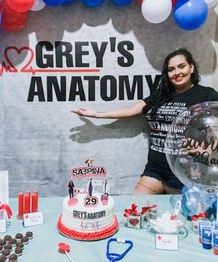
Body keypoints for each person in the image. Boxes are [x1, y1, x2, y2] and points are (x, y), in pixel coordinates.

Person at [72, 48, 218, 194]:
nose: (177, 73)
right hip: (155, 170)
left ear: (191, 67)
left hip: (186, 172)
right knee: (137, 211)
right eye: (171, 69)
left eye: (182, 66)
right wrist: (97, 114)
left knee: (183, 216)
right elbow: (131, 110)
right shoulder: (161, 95)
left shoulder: (207, 95)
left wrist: (208, 149)